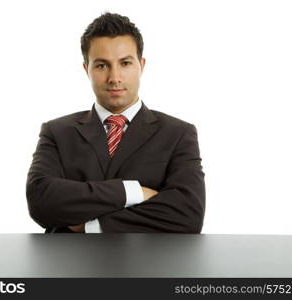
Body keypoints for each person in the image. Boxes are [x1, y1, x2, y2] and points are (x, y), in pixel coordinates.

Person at [26, 12, 205, 233]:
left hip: (148, 265)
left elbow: (188, 214)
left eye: (125, 63)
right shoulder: (58, 132)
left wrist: (91, 226)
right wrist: (133, 191)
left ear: (141, 65)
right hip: (71, 264)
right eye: (102, 65)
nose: (115, 77)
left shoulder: (178, 134)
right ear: (86, 69)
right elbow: (40, 200)